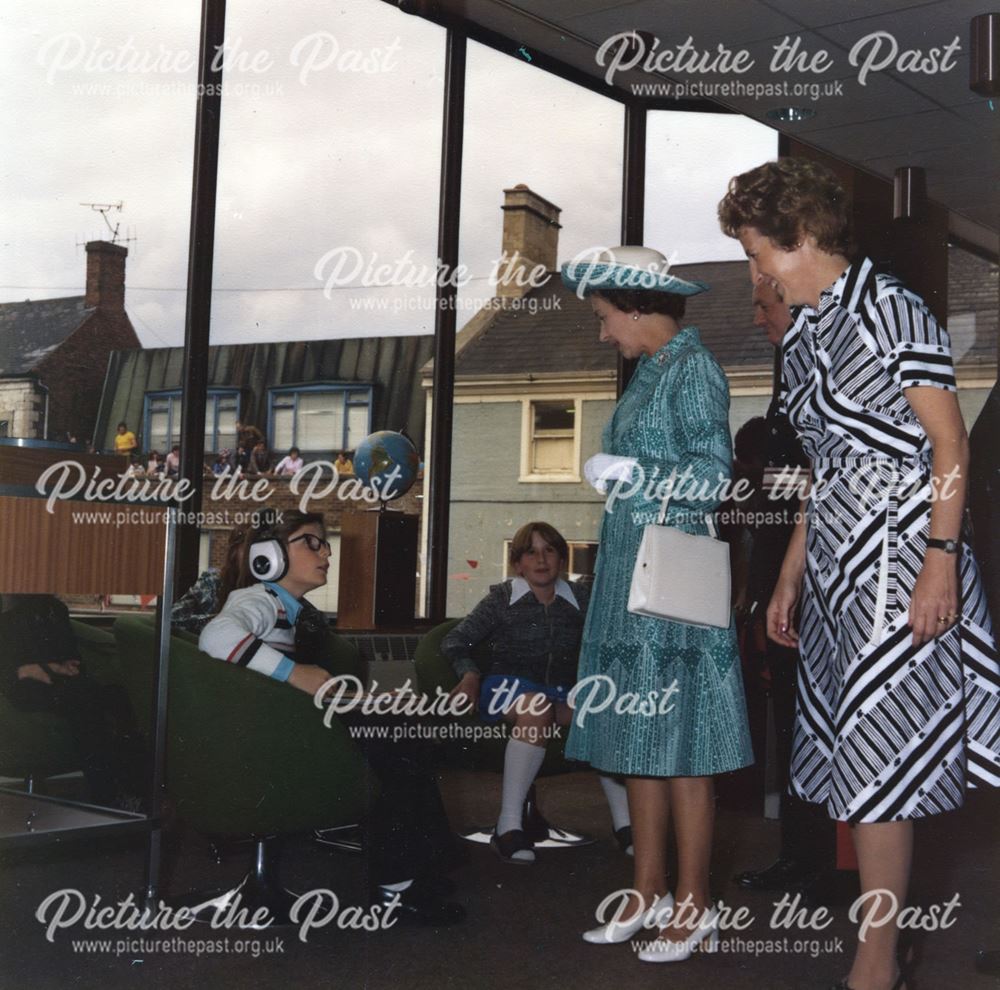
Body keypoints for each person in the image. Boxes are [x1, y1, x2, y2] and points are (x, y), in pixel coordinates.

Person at [718, 158, 1000, 990]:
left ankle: (875, 961)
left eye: (758, 253)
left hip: (906, 552)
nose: (755, 272)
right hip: (841, 557)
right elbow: (828, 465)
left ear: (802, 238)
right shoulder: (806, 330)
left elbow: (950, 443)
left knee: (881, 764)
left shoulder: (891, 307)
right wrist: (789, 577)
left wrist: (939, 566)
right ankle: (884, 949)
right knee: (856, 760)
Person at [559, 246, 753, 961]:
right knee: (637, 744)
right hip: (629, 580)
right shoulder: (651, 373)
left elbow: (711, 477)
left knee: (683, 748)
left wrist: (631, 471)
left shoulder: (695, 369)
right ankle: (648, 890)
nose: (603, 332)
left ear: (640, 309)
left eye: (607, 318)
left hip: (669, 584)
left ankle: (696, 903)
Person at [198, 510, 464, 925]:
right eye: (312, 542)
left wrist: (361, 698)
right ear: (268, 556)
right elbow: (217, 637)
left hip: (284, 727)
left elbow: (297, 688)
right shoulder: (256, 599)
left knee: (397, 726)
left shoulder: (284, 609)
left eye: (325, 543)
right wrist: (295, 672)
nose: (326, 552)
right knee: (395, 741)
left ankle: (415, 868)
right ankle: (396, 884)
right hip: (270, 742)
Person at [730, 282, 838, 899]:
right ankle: (804, 857)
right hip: (781, 594)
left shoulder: (820, 392)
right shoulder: (787, 394)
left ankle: (820, 863)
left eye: (765, 306)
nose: (756, 317)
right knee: (794, 729)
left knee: (812, 728)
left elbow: (811, 501)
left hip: (813, 596)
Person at [441, 521, 632, 864]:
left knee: (602, 711)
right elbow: (455, 640)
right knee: (537, 705)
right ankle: (508, 825)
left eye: (550, 551)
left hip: (561, 692)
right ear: (518, 563)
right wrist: (469, 674)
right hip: (507, 690)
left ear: (561, 559)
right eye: (531, 552)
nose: (541, 560)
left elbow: (609, 644)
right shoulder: (502, 598)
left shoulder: (581, 600)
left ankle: (625, 824)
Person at [0, 595, 141, 807]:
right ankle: (107, 794)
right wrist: (30, 669)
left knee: (116, 696)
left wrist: (64, 666)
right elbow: (10, 667)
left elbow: (70, 653)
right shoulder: (7, 612)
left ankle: (136, 790)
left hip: (59, 680)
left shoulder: (54, 609)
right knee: (82, 701)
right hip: (20, 686)